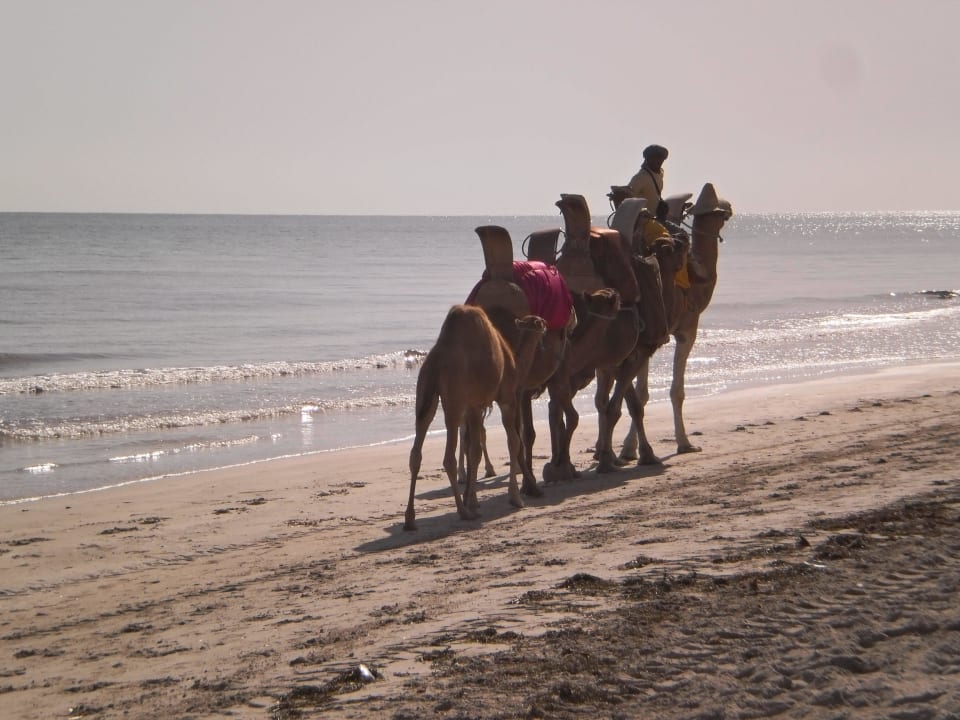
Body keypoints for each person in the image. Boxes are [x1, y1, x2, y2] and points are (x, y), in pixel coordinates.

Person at [627, 145, 670, 222]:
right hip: (643, 222)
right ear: (648, 159)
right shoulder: (641, 177)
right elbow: (627, 199)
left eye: (661, 159)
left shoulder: (660, 173)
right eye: (655, 158)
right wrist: (641, 211)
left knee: (680, 233)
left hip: (656, 219)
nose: (659, 161)